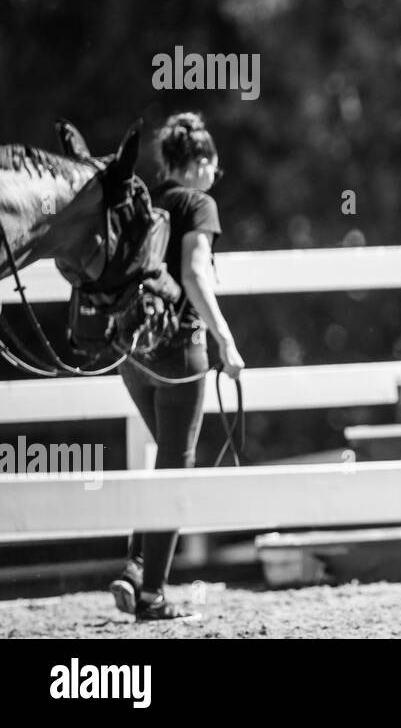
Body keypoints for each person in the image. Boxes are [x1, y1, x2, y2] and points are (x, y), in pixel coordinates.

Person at [109, 112, 244, 621]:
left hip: (133, 354)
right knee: (175, 465)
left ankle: (136, 567)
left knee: (166, 458)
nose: (215, 178)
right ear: (202, 163)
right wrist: (226, 343)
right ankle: (152, 595)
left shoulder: (144, 199)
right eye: (214, 168)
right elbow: (193, 274)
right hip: (178, 352)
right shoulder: (198, 203)